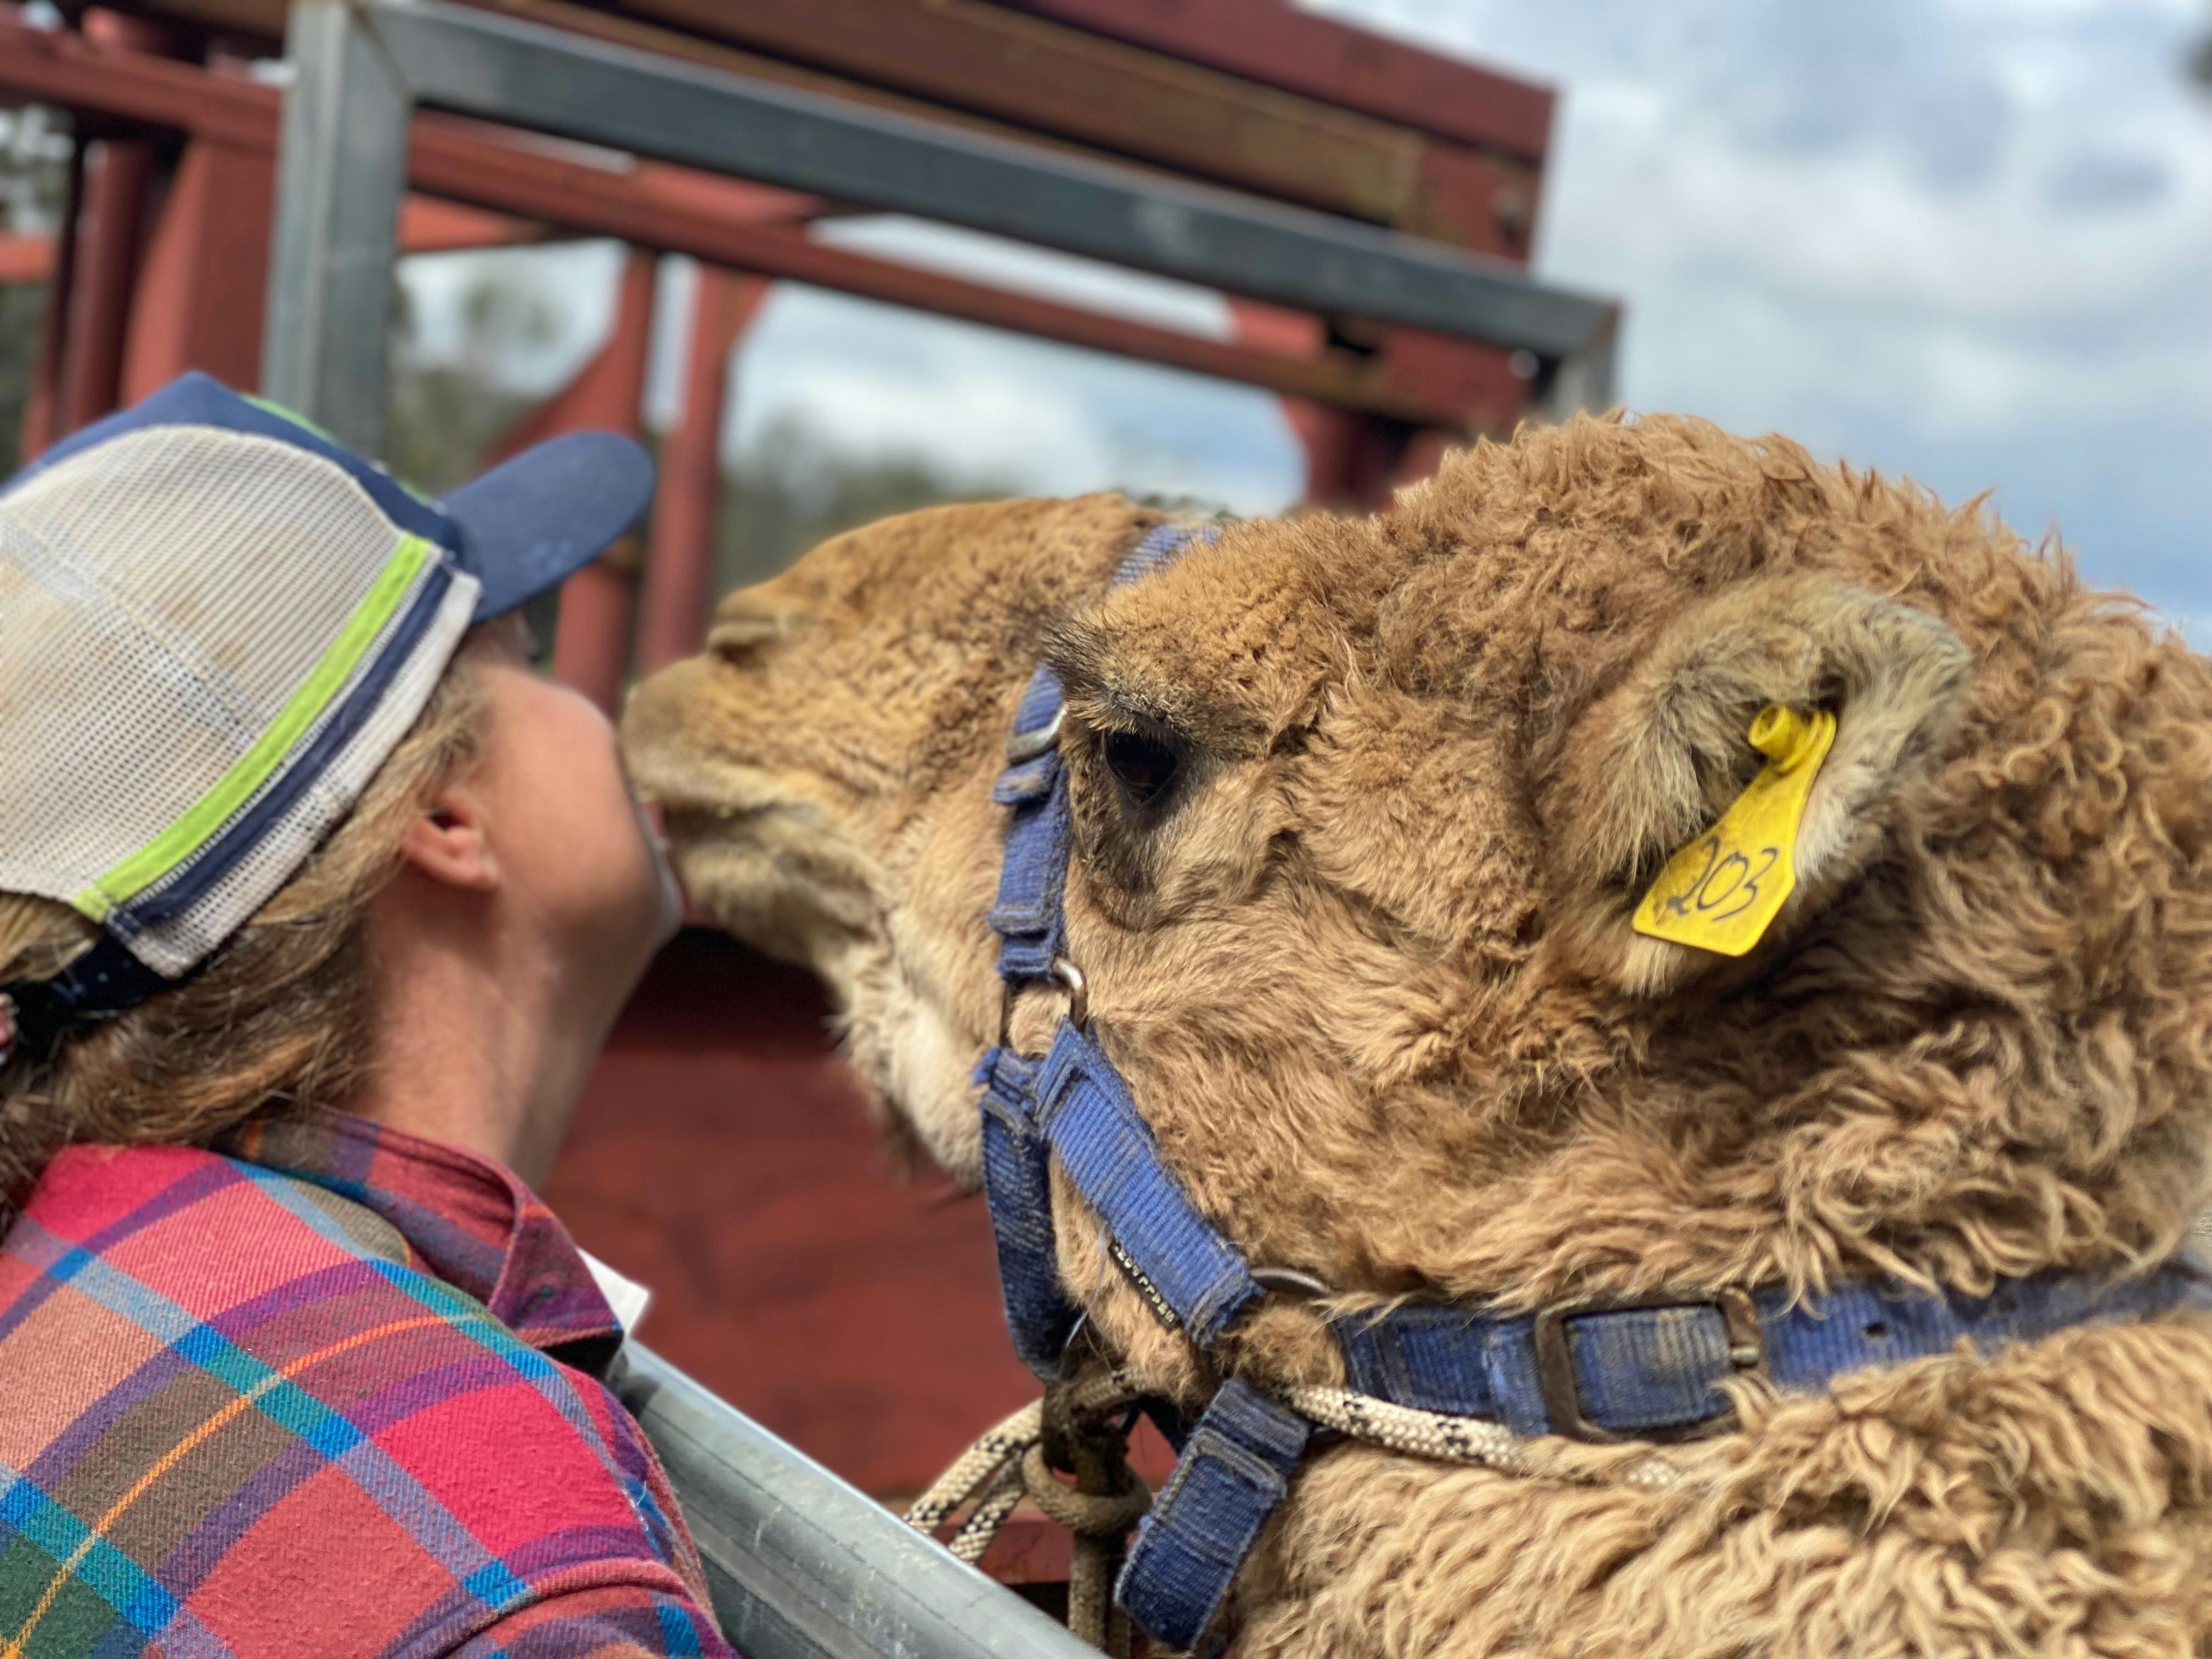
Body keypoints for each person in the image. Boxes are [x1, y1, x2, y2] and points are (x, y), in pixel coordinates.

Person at [0, 374, 733, 1657]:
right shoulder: (493, 1537)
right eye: (532, 653)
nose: (591, 706)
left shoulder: (63, 1263)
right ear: (441, 814)